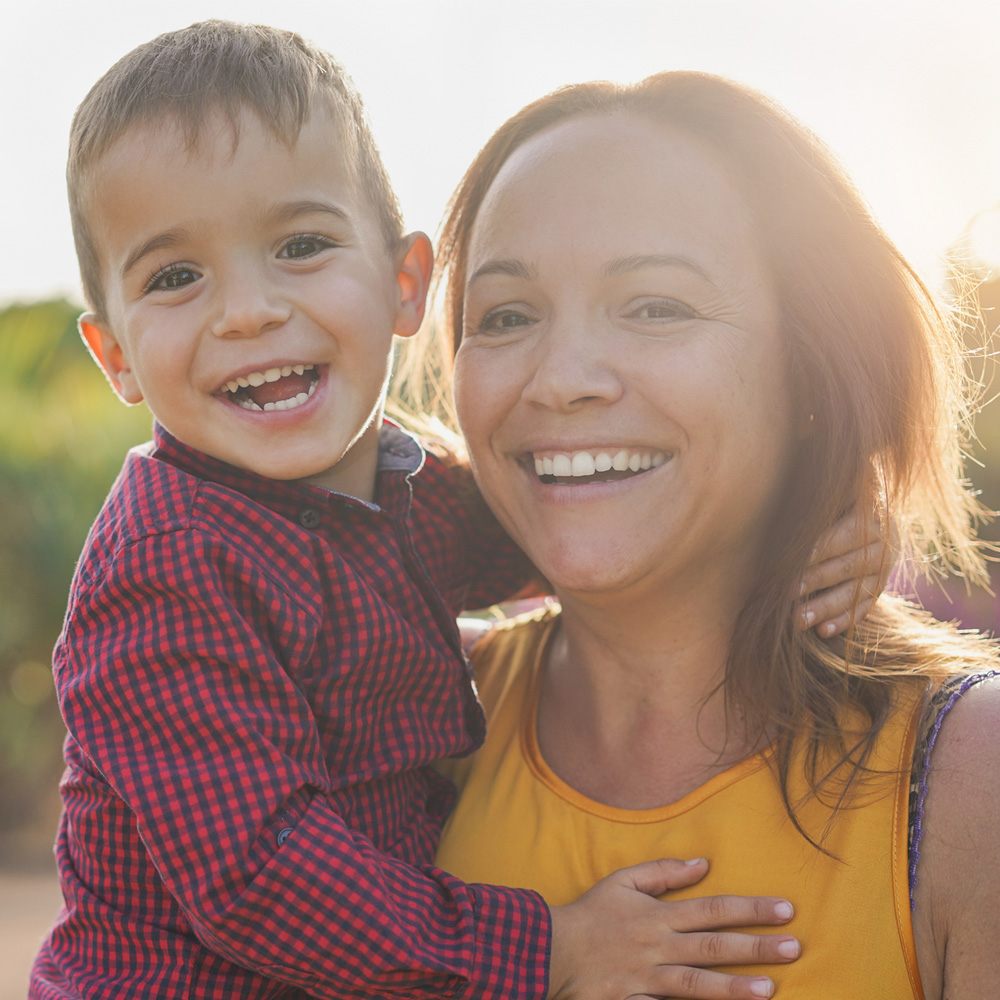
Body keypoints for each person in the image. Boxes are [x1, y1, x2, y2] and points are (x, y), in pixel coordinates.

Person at [31, 25, 886, 1000]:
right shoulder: (165, 566)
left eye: (301, 245)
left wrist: (818, 515)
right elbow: (258, 875)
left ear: (404, 284)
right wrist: (549, 950)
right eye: (175, 276)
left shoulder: (402, 483)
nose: (248, 311)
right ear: (114, 358)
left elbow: (581, 511)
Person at [432, 71, 1000, 999]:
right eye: (505, 316)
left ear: (810, 371)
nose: (560, 378)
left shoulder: (972, 781)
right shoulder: (408, 723)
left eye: (656, 306)